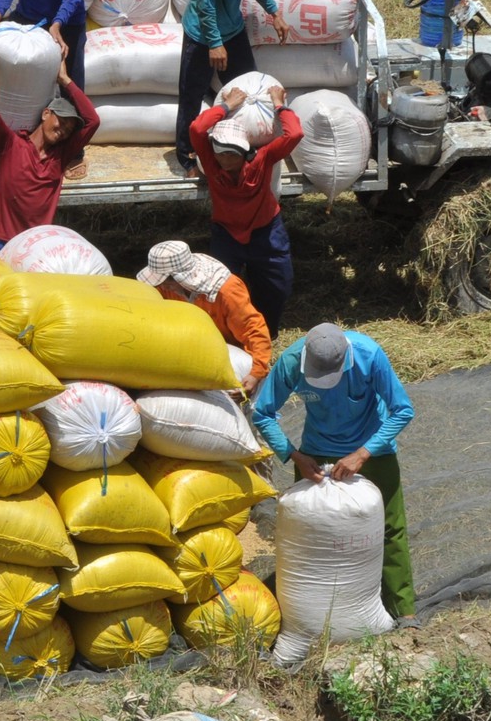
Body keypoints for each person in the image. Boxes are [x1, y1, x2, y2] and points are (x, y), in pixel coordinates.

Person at [251, 322, 417, 625]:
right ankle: (309, 617)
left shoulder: (369, 355)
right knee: (310, 532)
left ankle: (402, 609)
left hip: (372, 449)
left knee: (390, 529)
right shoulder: (290, 362)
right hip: (315, 453)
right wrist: (294, 455)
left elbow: (402, 410)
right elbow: (262, 413)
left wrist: (363, 453)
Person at [174, 0, 312, 176]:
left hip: (232, 28)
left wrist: (275, 13)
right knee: (192, 94)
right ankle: (188, 157)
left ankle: (241, 146)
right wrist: (214, 43)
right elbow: (205, 0)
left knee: (249, 89)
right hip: (203, 33)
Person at [189, 85, 301, 337]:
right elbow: (197, 128)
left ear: (245, 152)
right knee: (219, 288)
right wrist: (226, 106)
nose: (226, 162)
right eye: (220, 154)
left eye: (232, 155)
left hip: (266, 233)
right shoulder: (211, 162)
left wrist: (279, 105)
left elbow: (294, 134)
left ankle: (266, 332)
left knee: (276, 286)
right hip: (227, 235)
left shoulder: (262, 160)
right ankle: (227, 335)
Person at [0, 35, 100, 246]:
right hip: (3, 241)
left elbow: (93, 121)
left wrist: (65, 80)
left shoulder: (59, 158)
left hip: (38, 244)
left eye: (69, 129)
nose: (63, 130)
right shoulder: (12, 145)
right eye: (61, 122)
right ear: (45, 114)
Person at [136, 240, 272, 394]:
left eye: (165, 281)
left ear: (179, 277)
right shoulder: (165, 288)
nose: (161, 286)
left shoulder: (227, 291)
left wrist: (256, 372)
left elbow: (251, 328)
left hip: (229, 350)